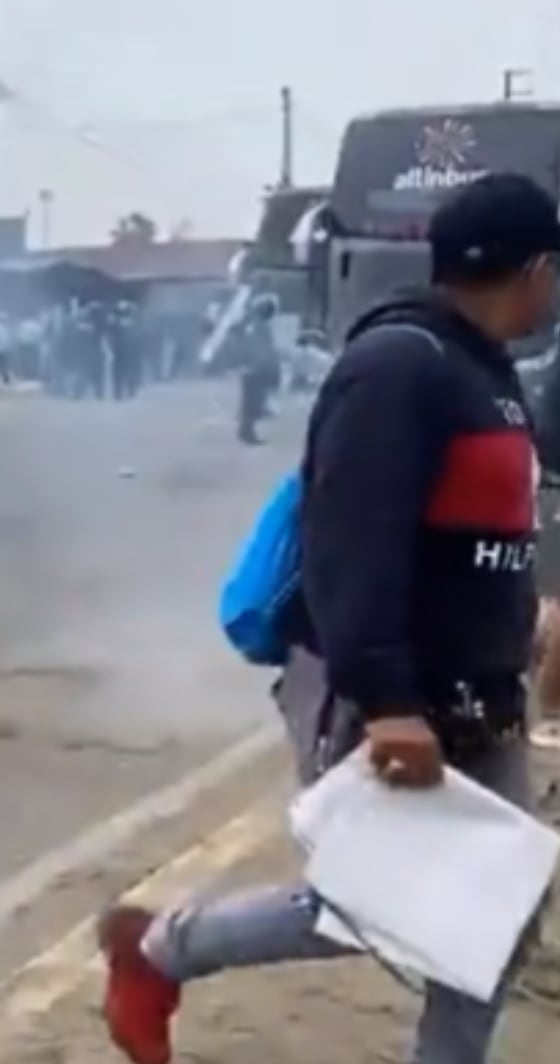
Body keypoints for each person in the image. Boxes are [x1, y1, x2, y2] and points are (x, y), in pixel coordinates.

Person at [96, 172, 554, 1064]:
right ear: (536, 267)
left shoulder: (483, 369)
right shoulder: (400, 366)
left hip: (481, 698)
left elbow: (480, 530)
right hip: (406, 699)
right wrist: (386, 698)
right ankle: (159, 954)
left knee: (493, 919)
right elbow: (352, 539)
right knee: (368, 909)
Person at [233, 294, 283, 445]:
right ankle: (246, 431)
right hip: (256, 367)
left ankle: (246, 430)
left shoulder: (254, 324)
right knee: (253, 401)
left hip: (254, 367)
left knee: (253, 401)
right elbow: (262, 348)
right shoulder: (260, 326)